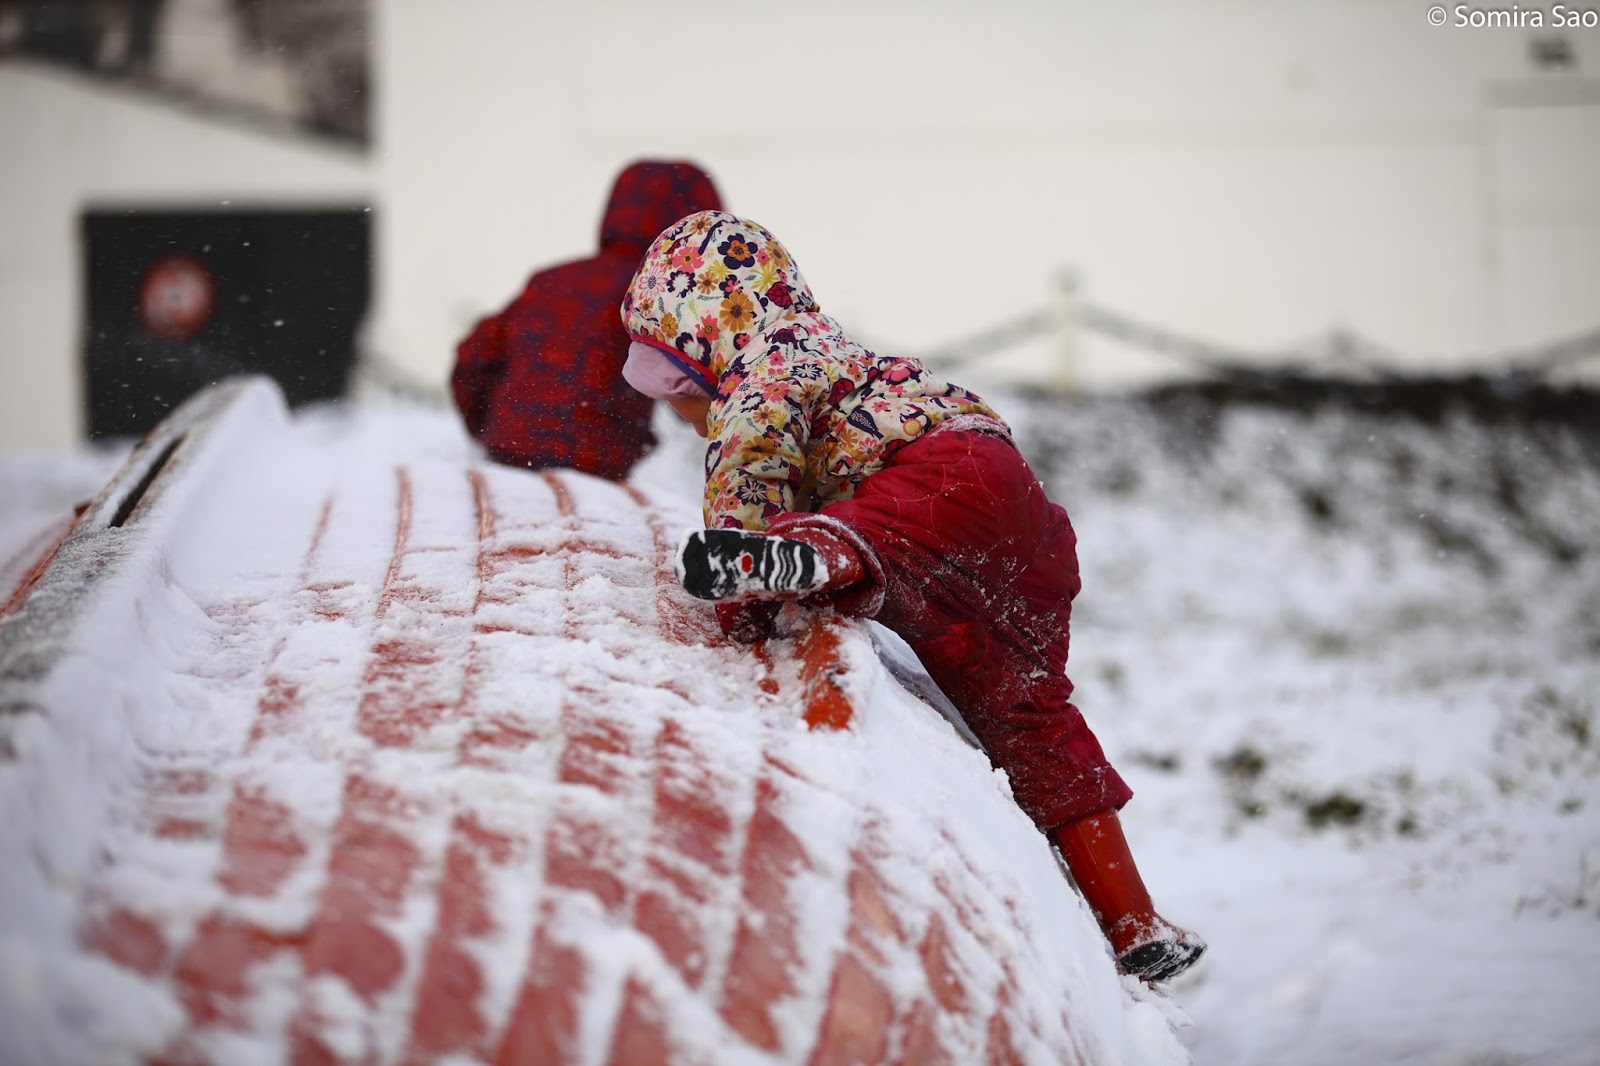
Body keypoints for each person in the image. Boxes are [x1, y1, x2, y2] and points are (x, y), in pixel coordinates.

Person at [619, 210, 1206, 983]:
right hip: (1018, 521)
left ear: (709, 347)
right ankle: (1134, 921)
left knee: (857, 533)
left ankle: (802, 558)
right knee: (1030, 718)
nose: (686, 420)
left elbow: (749, 465)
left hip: (938, 485)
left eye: (680, 394)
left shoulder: (766, 371)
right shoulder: (838, 354)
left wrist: (743, 590)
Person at [450, 160, 723, 480]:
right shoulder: (669, 293)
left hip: (508, 451)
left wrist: (491, 429)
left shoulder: (550, 280)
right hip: (602, 465)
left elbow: (473, 358)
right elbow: (701, 390)